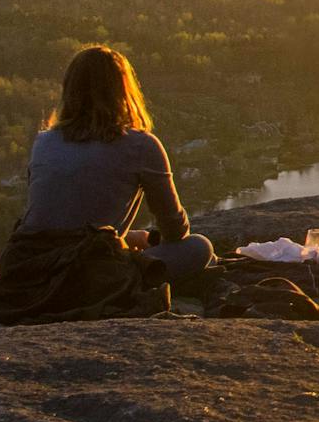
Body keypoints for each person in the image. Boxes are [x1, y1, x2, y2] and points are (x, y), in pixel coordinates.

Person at [15, 45, 213, 284]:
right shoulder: (141, 145)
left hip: (29, 271)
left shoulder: (43, 141)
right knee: (199, 247)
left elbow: (62, 222)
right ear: (123, 90)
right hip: (90, 277)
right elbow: (175, 231)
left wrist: (130, 238)